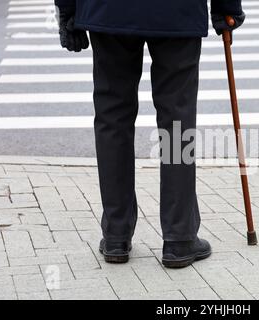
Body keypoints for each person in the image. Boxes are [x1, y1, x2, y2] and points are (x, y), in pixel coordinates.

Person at [54, 0, 245, 268]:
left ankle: (116, 235)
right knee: (177, 120)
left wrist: (68, 11)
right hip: (177, 11)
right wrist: (228, 8)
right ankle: (179, 238)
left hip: (108, 9)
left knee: (112, 116)